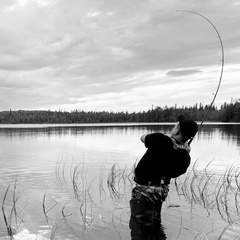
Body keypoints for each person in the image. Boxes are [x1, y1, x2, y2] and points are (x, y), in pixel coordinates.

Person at [129, 115, 198, 239]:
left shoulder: (162, 140)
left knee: (140, 227)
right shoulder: (185, 157)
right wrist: (184, 150)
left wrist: (168, 142)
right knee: (154, 222)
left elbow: (143, 138)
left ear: (177, 130)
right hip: (160, 191)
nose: (173, 127)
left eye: (175, 126)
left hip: (145, 190)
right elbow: (176, 172)